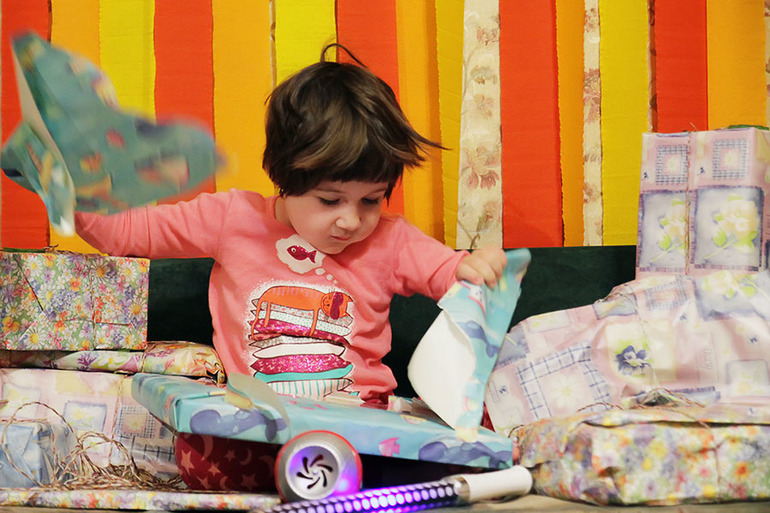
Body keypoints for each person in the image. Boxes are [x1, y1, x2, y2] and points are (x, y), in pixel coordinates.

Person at [75, 44, 507, 404]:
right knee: (201, 447)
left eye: (371, 200)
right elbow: (126, 233)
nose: (351, 220)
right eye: (329, 200)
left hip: (362, 422)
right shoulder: (233, 218)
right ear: (284, 177)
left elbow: (452, 273)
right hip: (255, 423)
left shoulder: (391, 239)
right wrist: (74, 189)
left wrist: (477, 268)